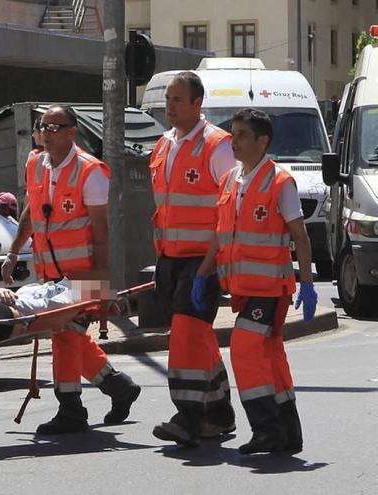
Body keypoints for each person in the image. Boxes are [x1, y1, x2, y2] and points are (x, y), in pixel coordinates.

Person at [1, 106, 141, 434]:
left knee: (65, 336)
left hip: (83, 276)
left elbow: (102, 233)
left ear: (72, 132)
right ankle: (119, 386)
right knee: (71, 336)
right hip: (51, 276)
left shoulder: (90, 172)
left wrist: (102, 286)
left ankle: (71, 409)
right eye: (42, 127)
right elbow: (31, 213)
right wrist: (12, 252)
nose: (46, 133)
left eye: (54, 127)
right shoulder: (35, 163)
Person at [192, 108, 316, 455]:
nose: (235, 141)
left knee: (245, 350)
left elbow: (300, 236)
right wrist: (203, 274)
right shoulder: (231, 179)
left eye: (243, 135)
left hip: (271, 289)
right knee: (271, 358)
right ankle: (288, 433)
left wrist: (306, 283)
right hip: (243, 290)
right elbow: (220, 233)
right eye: (233, 134)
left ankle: (265, 429)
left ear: (263, 141)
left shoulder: (280, 182)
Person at [149, 72, 238, 447]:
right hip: (169, 258)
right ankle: (219, 413)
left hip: (202, 260)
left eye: (178, 100)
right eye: (168, 99)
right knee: (197, 337)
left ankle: (186, 417)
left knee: (185, 339)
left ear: (197, 103)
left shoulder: (217, 146)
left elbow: (230, 208)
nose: (170, 106)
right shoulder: (163, 144)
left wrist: (210, 265)